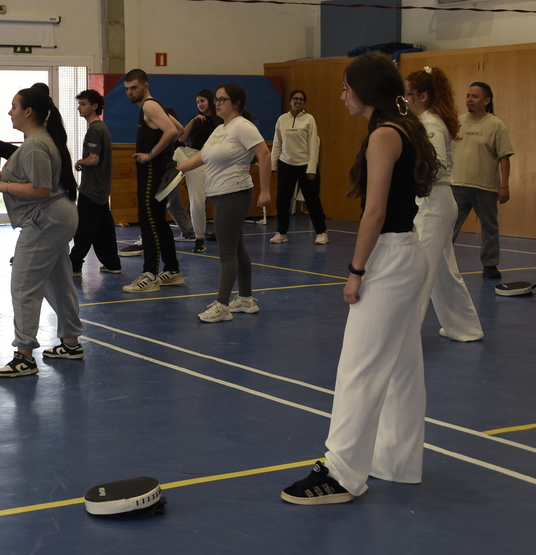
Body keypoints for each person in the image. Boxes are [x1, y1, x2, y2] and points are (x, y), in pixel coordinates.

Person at [281, 52, 440, 505]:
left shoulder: (385, 135)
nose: (342, 95)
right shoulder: (401, 128)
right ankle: (398, 461)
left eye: (346, 87)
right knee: (403, 366)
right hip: (407, 254)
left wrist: (356, 272)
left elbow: (374, 212)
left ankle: (341, 472)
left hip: (390, 259)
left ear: (366, 91)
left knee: (359, 367)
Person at [0, 88, 83, 377]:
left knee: (23, 285)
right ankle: (71, 343)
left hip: (46, 220)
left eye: (14, 107)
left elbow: (41, 189)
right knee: (57, 282)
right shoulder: (38, 141)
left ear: (28, 112)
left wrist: (4, 186)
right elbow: (32, 178)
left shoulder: (35, 144)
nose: (10, 112)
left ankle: (24, 356)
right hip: (56, 218)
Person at [177, 84, 271, 323]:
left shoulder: (243, 126)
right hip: (219, 194)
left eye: (222, 100)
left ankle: (222, 306)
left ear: (236, 103)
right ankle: (246, 299)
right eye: (216, 99)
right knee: (237, 248)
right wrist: (176, 169)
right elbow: (202, 156)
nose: (217, 103)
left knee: (227, 252)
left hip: (234, 193)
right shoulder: (221, 128)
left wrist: (265, 191)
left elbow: (264, 154)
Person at [405, 68, 484, 342]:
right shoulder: (428, 121)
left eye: (409, 94)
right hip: (436, 202)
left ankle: (405, 335)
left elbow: (436, 166)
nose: (406, 99)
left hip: (433, 204)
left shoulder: (430, 124)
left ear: (423, 96)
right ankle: (465, 327)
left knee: (420, 269)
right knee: (444, 272)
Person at [121, 69, 183, 293]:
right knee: (157, 219)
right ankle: (173, 270)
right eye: (127, 89)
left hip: (152, 171)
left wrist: (151, 154)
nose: (130, 92)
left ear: (145, 86)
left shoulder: (149, 105)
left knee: (148, 220)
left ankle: (149, 275)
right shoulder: (155, 106)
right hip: (155, 170)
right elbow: (180, 130)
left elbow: (171, 131)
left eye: (134, 88)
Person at [450, 81, 514, 279]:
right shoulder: (457, 122)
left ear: (486, 101)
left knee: (489, 228)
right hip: (457, 184)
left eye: (475, 96)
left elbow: (504, 157)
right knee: (447, 227)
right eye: (468, 95)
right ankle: (441, 262)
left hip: (485, 186)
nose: (469, 99)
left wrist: (504, 186)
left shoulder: (496, 125)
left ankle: (490, 264)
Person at [68, 89, 121, 276]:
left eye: (83, 104)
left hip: (91, 189)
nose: (79, 108)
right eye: (79, 104)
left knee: (84, 229)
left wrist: (79, 162)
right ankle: (112, 263)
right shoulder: (102, 128)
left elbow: (93, 158)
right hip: (101, 189)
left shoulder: (95, 130)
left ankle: (74, 265)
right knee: (104, 229)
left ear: (95, 106)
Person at [270, 89, 329, 245]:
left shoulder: (309, 119)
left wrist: (312, 169)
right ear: (290, 101)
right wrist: (273, 166)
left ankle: (321, 232)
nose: (298, 101)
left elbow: (313, 145)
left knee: (312, 201)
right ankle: (282, 233)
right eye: (295, 99)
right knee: (282, 202)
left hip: (305, 166)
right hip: (286, 165)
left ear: (304, 103)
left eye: (301, 99)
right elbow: (277, 144)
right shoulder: (282, 119)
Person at [175, 89, 222, 252]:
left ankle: (211, 234)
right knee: (197, 201)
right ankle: (199, 237)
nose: (200, 104)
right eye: (197, 102)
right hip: (193, 160)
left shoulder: (219, 122)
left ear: (210, 101)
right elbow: (181, 139)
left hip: (211, 161)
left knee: (208, 200)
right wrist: (193, 121)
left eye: (202, 101)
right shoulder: (197, 120)